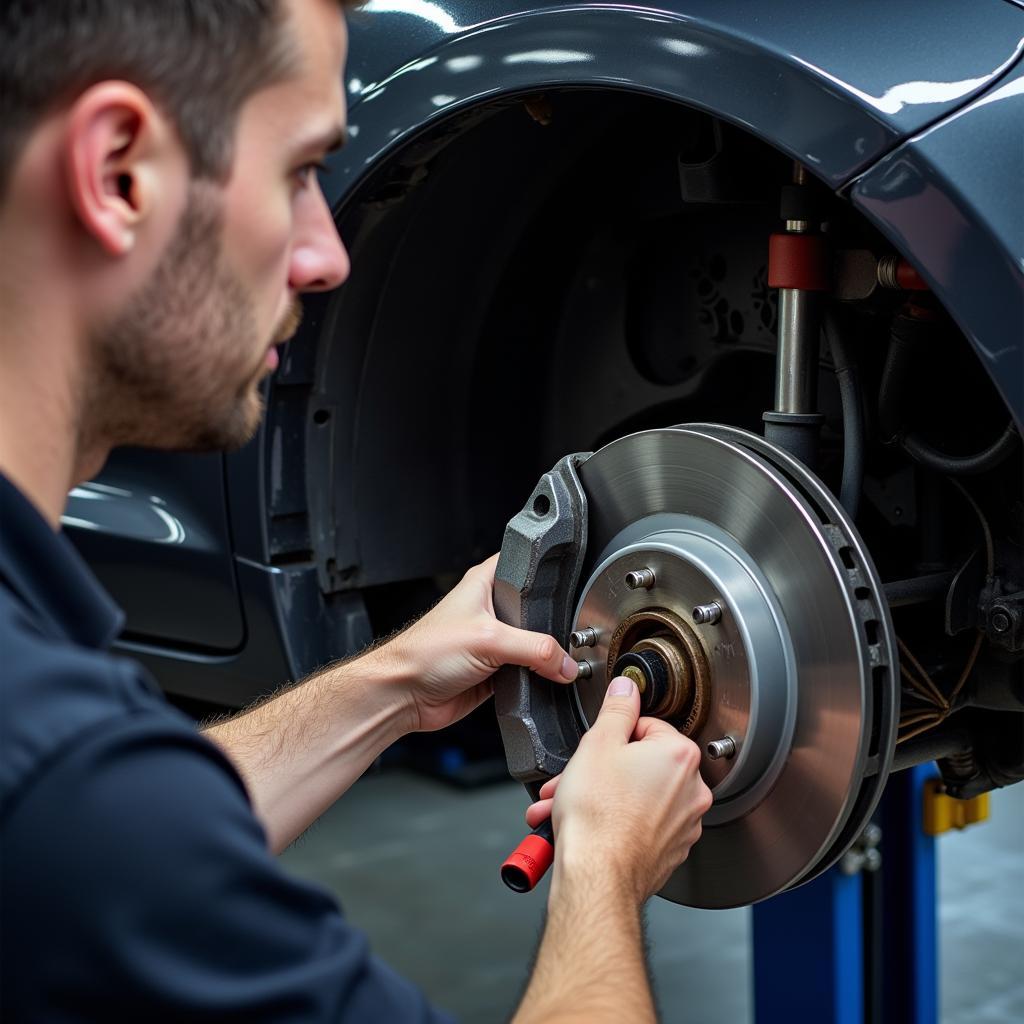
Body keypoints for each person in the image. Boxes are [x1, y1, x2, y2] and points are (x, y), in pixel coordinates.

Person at [0, 1, 713, 1020]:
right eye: (297, 175)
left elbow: (100, 834)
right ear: (119, 173)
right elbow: (106, 825)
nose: (326, 255)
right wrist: (605, 869)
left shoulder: (54, 770)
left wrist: (390, 686)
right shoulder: (74, 784)